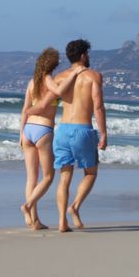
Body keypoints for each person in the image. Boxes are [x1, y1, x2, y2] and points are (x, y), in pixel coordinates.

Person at [18, 47, 85, 230]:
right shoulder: (48, 79)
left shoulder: (32, 82)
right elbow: (60, 90)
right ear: (53, 65)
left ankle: (34, 220)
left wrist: (21, 133)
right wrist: (74, 73)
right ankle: (28, 205)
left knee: (31, 177)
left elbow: (25, 109)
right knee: (48, 176)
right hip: (43, 130)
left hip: (28, 129)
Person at [52, 39, 108, 232]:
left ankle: (61, 222)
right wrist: (103, 134)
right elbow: (98, 106)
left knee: (64, 176)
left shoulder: (60, 77)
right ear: (83, 55)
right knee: (91, 172)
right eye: (88, 54)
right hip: (82, 130)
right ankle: (74, 206)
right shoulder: (93, 76)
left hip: (62, 130)